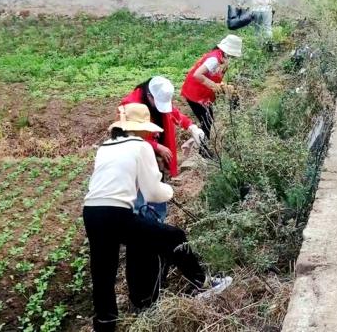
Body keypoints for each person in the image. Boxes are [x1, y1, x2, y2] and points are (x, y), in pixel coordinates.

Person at [83, 103, 232, 332]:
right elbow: (153, 192)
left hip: (92, 211)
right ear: (141, 128)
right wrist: (169, 191)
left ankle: (105, 323)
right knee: (174, 236)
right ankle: (202, 284)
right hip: (117, 212)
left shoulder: (106, 146)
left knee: (103, 271)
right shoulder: (140, 145)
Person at [121, 76, 204, 221]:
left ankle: (157, 221)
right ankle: (139, 222)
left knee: (157, 183)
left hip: (154, 151)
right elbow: (128, 135)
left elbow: (174, 113)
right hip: (137, 155)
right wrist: (156, 146)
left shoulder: (157, 97)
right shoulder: (131, 106)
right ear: (149, 96)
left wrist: (191, 127)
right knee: (139, 188)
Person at [181, 35, 242, 156]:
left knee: (207, 120)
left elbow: (214, 75)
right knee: (207, 121)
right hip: (195, 93)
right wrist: (215, 86)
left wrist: (222, 87)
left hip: (202, 93)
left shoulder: (222, 58)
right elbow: (198, 75)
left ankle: (202, 146)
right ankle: (203, 151)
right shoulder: (214, 59)